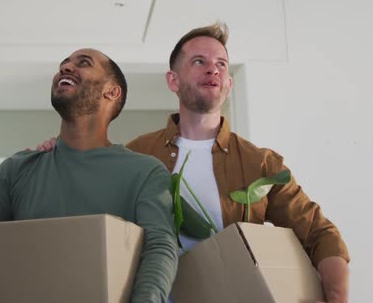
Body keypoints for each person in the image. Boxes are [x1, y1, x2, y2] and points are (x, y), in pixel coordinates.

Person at [37, 23, 350, 302]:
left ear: (228, 84)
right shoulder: (135, 155)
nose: (212, 69)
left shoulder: (262, 164)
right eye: (199, 61)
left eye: (221, 64)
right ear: (173, 80)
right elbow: (88, 220)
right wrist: (58, 154)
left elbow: (320, 235)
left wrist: (336, 296)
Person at [0, 48, 178, 303]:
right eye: (63, 64)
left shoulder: (146, 172)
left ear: (112, 91)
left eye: (84, 63)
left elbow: (159, 246)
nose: (65, 68)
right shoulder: (17, 169)